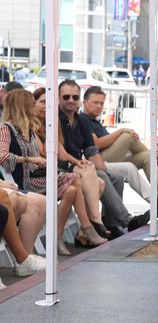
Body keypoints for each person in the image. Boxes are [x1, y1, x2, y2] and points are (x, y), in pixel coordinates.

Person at [0, 89, 99, 254]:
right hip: (24, 180)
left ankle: (61, 236)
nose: (35, 106)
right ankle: (85, 227)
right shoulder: (6, 128)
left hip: (36, 176)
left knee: (72, 189)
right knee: (75, 180)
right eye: (32, 103)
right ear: (22, 106)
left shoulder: (28, 128)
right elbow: (2, 156)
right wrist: (31, 159)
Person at [57, 79, 149, 236]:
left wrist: (104, 170)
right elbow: (61, 154)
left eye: (75, 97)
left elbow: (91, 151)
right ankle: (126, 220)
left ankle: (111, 224)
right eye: (66, 97)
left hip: (80, 166)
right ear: (58, 97)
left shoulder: (82, 121)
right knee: (101, 175)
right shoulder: (54, 119)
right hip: (60, 167)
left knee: (116, 178)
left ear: (79, 99)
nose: (71, 100)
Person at [79, 86, 158, 216]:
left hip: (108, 157)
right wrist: (120, 131)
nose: (99, 106)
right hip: (97, 160)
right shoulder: (83, 119)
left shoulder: (95, 121)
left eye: (101, 103)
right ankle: (157, 159)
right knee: (127, 136)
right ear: (84, 103)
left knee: (145, 156)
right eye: (95, 102)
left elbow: (111, 145)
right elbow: (96, 144)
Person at [32, 88, 107, 246]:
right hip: (39, 175)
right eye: (42, 102)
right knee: (76, 184)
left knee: (98, 181)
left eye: (49, 103)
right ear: (33, 105)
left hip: (55, 170)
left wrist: (78, 161)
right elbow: (45, 151)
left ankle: (85, 229)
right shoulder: (32, 125)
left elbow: (62, 153)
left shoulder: (50, 124)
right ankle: (90, 225)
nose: (46, 106)